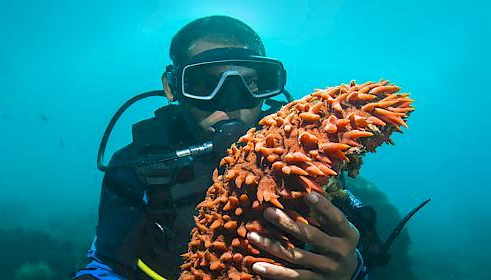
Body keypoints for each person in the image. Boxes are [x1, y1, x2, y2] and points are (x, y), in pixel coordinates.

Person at [74, 16, 415, 280]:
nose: (232, 102)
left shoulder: (307, 160)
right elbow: (105, 264)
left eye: (251, 83)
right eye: (206, 83)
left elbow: (357, 251)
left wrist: (350, 272)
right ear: (172, 87)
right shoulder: (138, 165)